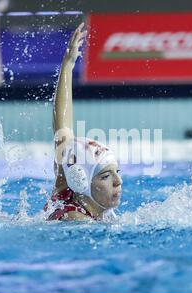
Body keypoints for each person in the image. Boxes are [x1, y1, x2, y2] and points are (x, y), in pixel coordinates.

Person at [44, 23, 123, 222]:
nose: (118, 182)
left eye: (117, 172)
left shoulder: (66, 186)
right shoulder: (75, 219)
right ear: (81, 180)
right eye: (105, 176)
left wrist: (68, 65)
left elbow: (62, 128)